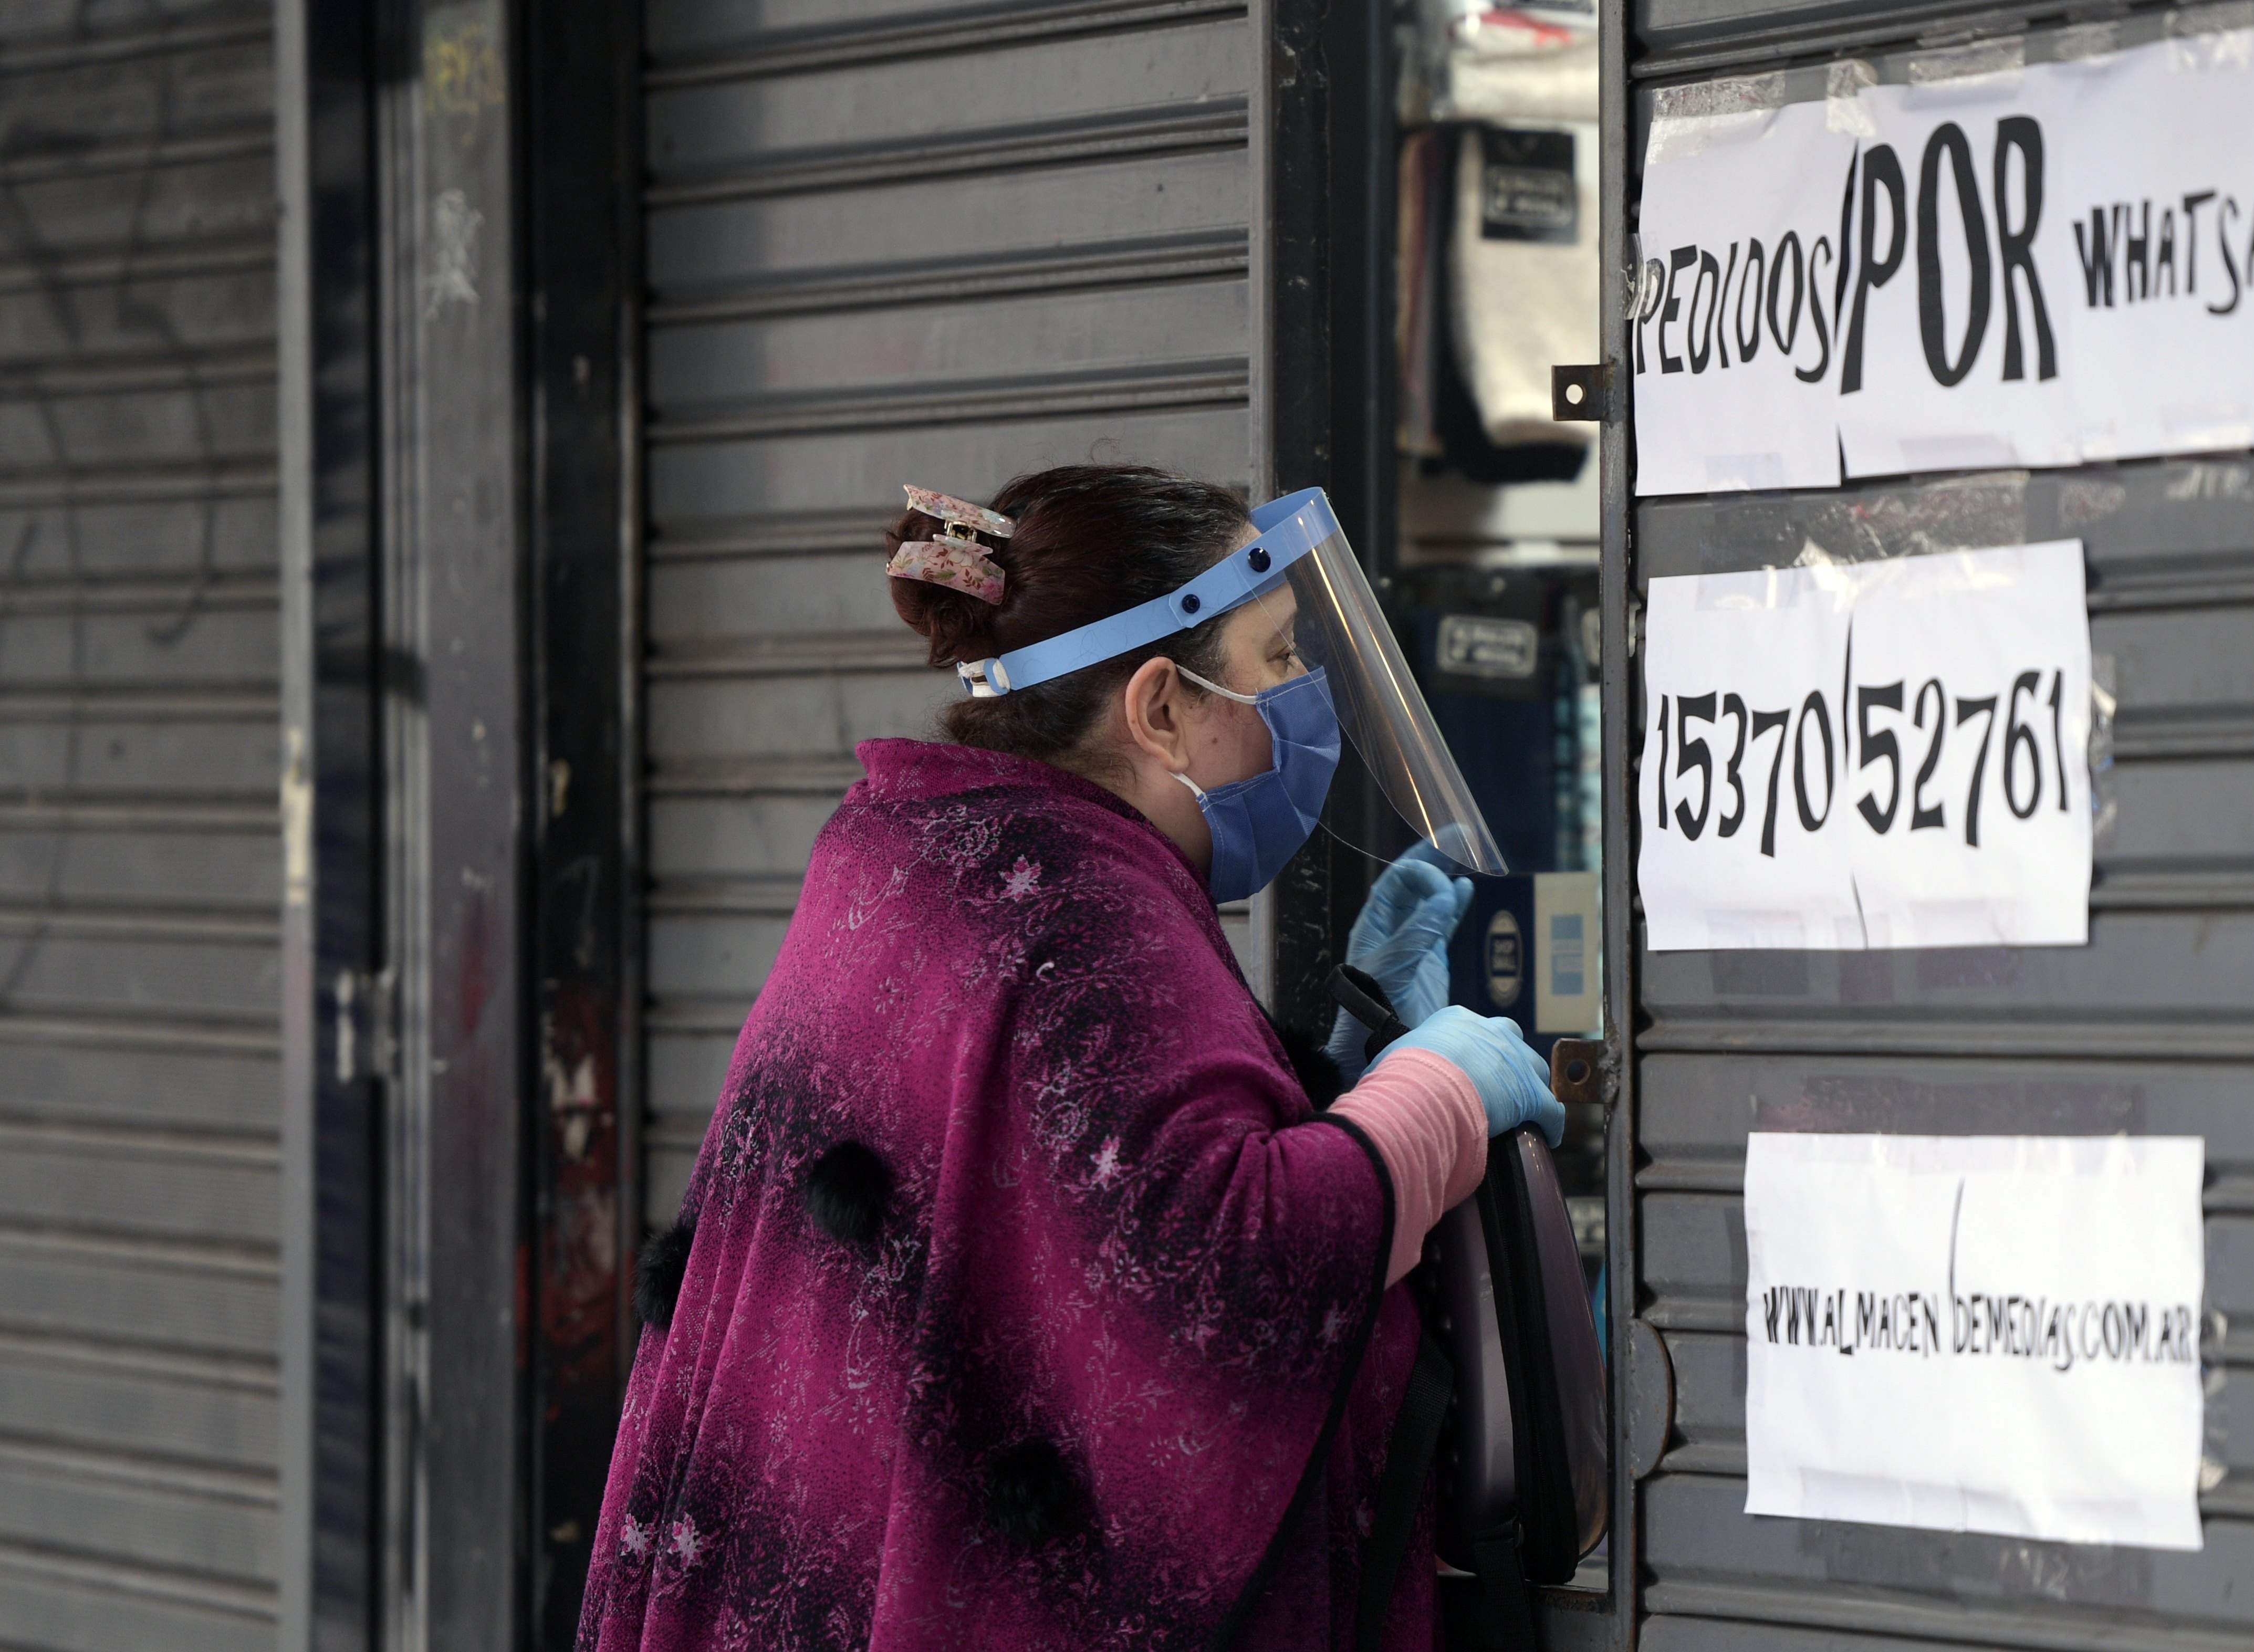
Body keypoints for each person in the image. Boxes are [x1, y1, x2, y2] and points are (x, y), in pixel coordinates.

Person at [576, 465, 1562, 1651]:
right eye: (1280, 654)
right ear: (1159, 709)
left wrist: (1343, 1070)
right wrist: (1438, 1097)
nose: (1308, 694)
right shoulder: (1084, 910)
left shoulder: (913, 850)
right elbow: (1222, 1268)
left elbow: (1058, 1219)